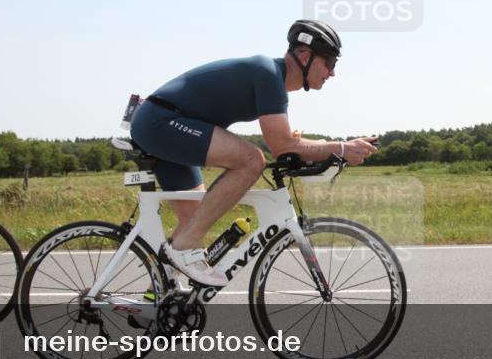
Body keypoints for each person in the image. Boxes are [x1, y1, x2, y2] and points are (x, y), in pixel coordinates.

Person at [130, 20, 377, 286]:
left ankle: (159, 297)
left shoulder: (274, 83)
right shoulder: (268, 74)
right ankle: (182, 250)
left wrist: (336, 149)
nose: (332, 73)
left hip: (167, 123)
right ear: (305, 56)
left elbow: (289, 144)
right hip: (160, 122)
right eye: (329, 63)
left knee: (194, 217)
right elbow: (282, 146)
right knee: (251, 160)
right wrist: (341, 147)